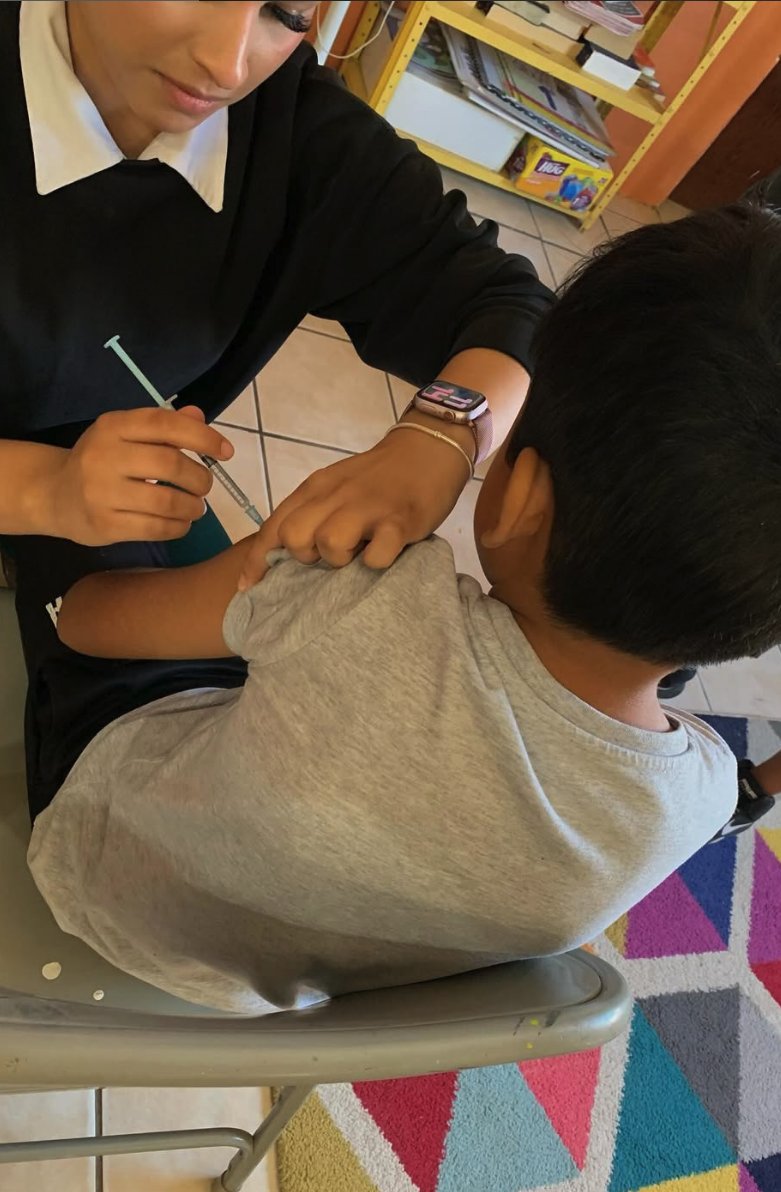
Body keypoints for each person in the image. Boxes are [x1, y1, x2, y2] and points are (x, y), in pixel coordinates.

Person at [22, 204, 781, 1014]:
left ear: (521, 499)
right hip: (273, 999)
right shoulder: (693, 799)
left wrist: (256, 566)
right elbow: (739, 799)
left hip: (97, 862)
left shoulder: (352, 594)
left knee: (69, 460)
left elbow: (92, 624)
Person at [0, 0, 550, 590]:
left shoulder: (299, 133)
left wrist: (439, 436)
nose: (227, 66)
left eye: (286, 13)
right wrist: (45, 491)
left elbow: (511, 307)